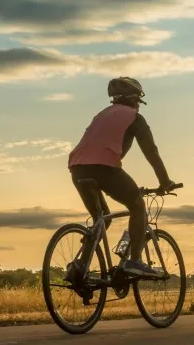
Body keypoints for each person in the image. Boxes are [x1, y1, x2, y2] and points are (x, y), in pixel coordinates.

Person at [66, 77, 177, 281]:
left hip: (77, 168)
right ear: (135, 99)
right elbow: (151, 152)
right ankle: (134, 260)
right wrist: (164, 181)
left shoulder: (102, 115)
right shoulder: (135, 118)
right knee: (137, 206)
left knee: (102, 218)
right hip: (105, 168)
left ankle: (80, 266)